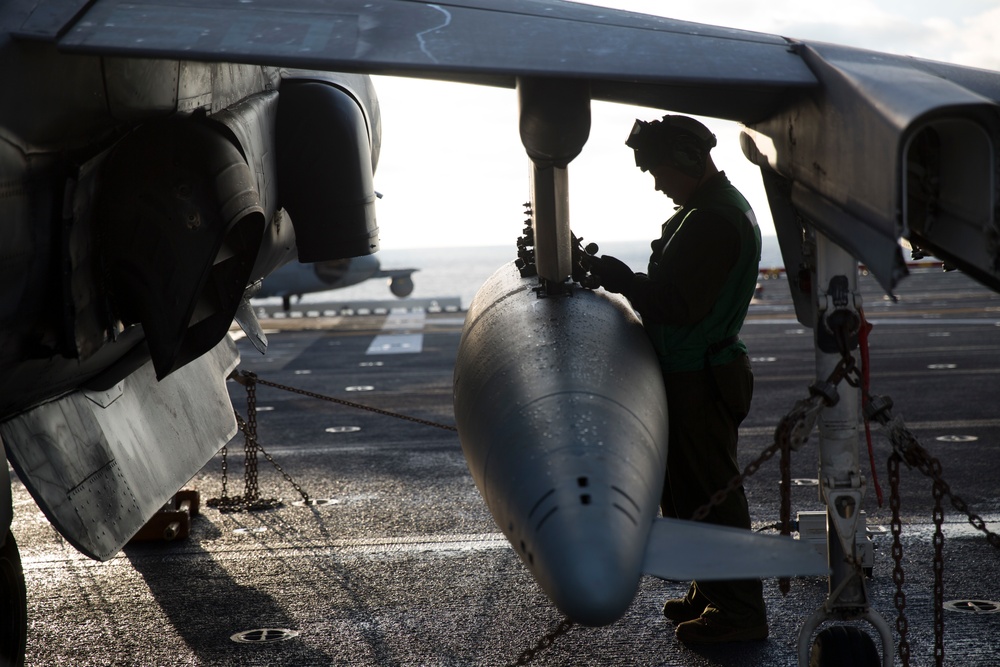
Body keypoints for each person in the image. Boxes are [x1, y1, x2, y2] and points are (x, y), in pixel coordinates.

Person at [589, 115, 766, 644]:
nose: (656, 182)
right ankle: (711, 588)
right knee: (687, 492)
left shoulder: (712, 220)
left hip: (699, 377)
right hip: (693, 372)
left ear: (688, 161)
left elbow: (678, 305)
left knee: (711, 493)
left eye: (659, 170)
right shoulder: (707, 210)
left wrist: (620, 279)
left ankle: (738, 612)